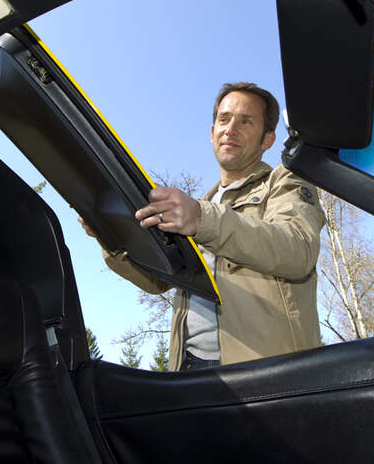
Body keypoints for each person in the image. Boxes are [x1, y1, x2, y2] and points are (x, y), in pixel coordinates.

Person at [80, 82, 325, 370]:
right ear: (211, 133)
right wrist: (110, 235)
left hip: (267, 372)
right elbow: (158, 280)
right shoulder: (198, 206)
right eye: (223, 119)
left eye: (245, 121)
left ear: (267, 140)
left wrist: (201, 219)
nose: (230, 129)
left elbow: (297, 249)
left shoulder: (285, 181)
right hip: (188, 371)